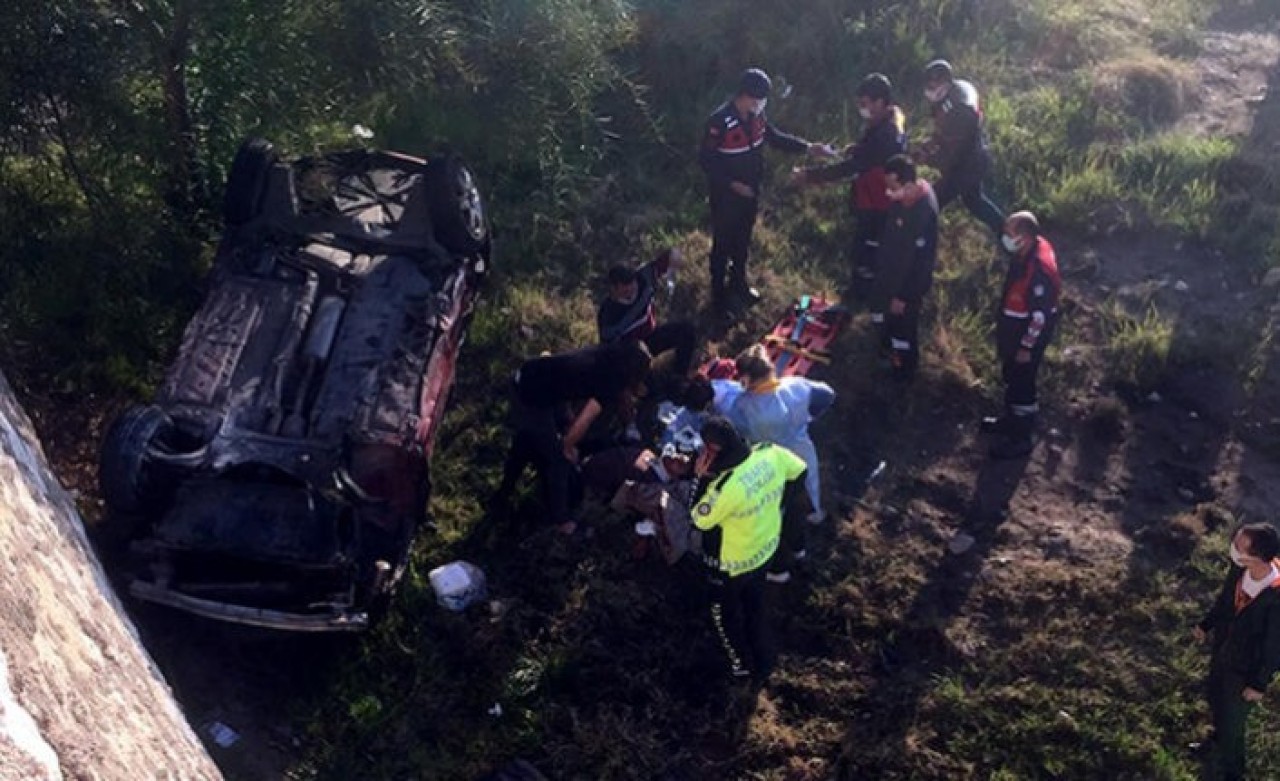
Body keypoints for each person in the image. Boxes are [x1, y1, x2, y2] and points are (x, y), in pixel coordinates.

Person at [699, 67, 834, 316]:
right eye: (759, 99)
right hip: (727, 196)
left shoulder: (756, 117)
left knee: (742, 242)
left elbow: (775, 137)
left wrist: (808, 148)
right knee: (722, 245)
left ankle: (738, 283)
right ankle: (718, 299)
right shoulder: (719, 122)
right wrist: (732, 184)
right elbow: (706, 162)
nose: (762, 104)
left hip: (751, 192)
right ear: (747, 95)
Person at [691, 417, 809, 682]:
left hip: (731, 567)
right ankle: (764, 661)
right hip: (765, 551)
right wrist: (780, 506)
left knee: (724, 616)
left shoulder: (725, 488)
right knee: (755, 608)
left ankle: (740, 665)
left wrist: (699, 479)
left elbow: (698, 519)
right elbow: (800, 470)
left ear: (712, 449)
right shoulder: (769, 452)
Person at [498, 341, 651, 535]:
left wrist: (567, 420)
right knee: (557, 459)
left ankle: (504, 492)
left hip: (531, 373)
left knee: (527, 440)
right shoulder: (611, 382)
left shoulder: (604, 354)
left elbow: (569, 380)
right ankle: (562, 521)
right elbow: (585, 419)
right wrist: (568, 445)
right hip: (531, 396)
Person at [793, 73, 908, 297]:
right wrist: (857, 149)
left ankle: (861, 297)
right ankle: (862, 293)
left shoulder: (887, 134)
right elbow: (867, 155)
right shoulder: (887, 122)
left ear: (880, 102)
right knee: (865, 250)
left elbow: (854, 167)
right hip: (873, 199)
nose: (862, 109)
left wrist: (810, 176)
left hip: (880, 204)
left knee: (867, 252)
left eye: (865, 104)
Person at [1193, 523, 1280, 781]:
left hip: (1245, 670)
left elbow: (1274, 647)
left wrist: (1258, 683)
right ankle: (1216, 742)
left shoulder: (1276, 597)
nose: (1233, 546)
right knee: (1216, 698)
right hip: (1224, 651)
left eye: (1239, 545)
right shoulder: (1240, 569)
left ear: (1257, 556)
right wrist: (1206, 624)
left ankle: (1234, 772)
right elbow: (1224, 601)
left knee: (1235, 723)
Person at [727, 344, 835, 523]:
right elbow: (827, 394)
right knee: (810, 479)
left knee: (773, 494)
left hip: (766, 457)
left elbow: (734, 431)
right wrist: (808, 417)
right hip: (799, 445)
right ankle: (816, 512)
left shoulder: (741, 406)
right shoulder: (795, 385)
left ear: (746, 379)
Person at [984, 211, 1061, 459]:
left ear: (1024, 237)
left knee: (1022, 383)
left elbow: (1039, 317)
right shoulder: (1028, 251)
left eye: (1009, 234)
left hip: (1026, 335)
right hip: (1014, 327)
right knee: (1011, 376)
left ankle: (1021, 438)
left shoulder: (1038, 269)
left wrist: (1026, 348)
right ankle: (1009, 422)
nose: (1004, 237)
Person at [871, 155, 938, 382]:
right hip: (890, 274)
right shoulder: (905, 200)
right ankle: (885, 349)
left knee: (903, 328)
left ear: (907, 185)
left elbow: (921, 261)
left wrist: (904, 295)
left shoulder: (922, 214)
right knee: (886, 317)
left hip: (906, 286)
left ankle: (904, 370)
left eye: (892, 186)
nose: (888, 192)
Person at [921, 59, 1005, 239]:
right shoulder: (950, 98)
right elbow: (945, 132)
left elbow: (951, 155)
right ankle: (1006, 232)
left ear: (945, 82)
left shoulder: (959, 108)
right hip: (972, 158)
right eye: (927, 84)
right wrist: (932, 142)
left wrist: (926, 158)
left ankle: (923, 242)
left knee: (931, 201)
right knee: (974, 201)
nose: (929, 88)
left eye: (933, 84)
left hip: (966, 165)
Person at [597, 247, 697, 380]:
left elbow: (666, 258)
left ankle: (679, 377)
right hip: (631, 354)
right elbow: (609, 350)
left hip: (651, 337)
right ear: (614, 288)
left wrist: (675, 257)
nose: (631, 291)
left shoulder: (644, 278)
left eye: (632, 285)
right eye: (625, 289)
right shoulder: (608, 314)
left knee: (686, 331)